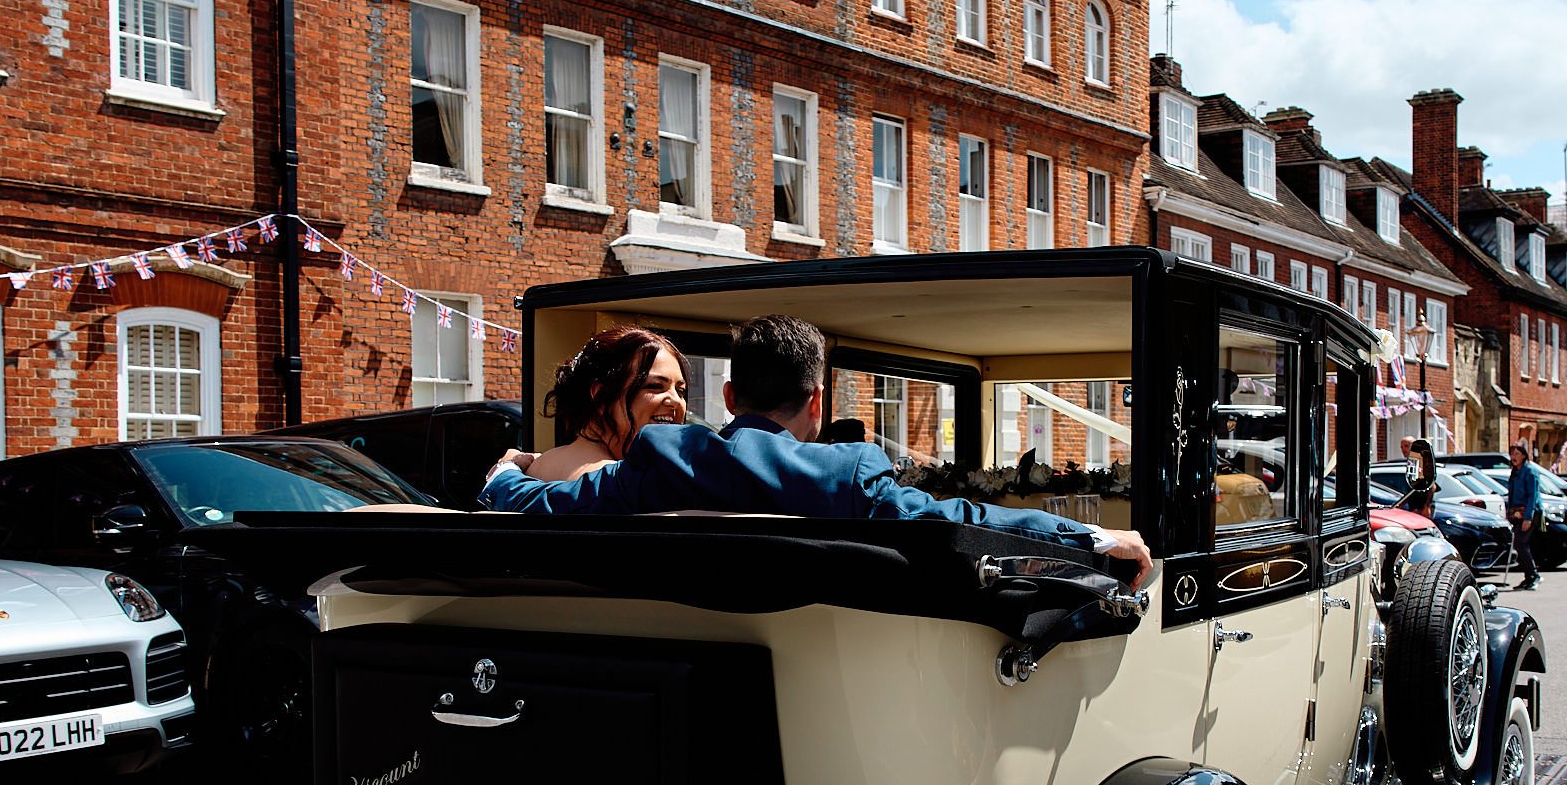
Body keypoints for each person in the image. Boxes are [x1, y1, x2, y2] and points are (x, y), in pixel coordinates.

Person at [483, 315, 1154, 587]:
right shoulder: (850, 475)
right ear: (818, 404)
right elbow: (960, 522)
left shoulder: (663, 461)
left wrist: (504, 474)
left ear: (731, 394)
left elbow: (551, 504)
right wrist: (1090, 537)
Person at [528, 326, 690, 483]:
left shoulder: (533, 467)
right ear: (601, 396)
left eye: (681, 391)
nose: (675, 400)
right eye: (654, 386)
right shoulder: (626, 485)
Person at [1505, 441, 1543, 590]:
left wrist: (1528, 517)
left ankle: (1533, 575)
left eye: (1517, 454)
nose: (1513, 457)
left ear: (1524, 455)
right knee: (1520, 544)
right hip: (1517, 512)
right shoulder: (1514, 472)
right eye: (1512, 454)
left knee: (1520, 543)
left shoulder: (1530, 471)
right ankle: (1528, 577)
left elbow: (1533, 495)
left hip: (1530, 512)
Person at [1399, 436, 1439, 515]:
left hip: (1422, 508)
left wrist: (1426, 506)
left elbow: (1433, 486)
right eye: (1401, 447)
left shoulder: (1423, 462)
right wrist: (1400, 504)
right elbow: (1411, 490)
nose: (1403, 450)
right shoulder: (1412, 463)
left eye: (1406, 446)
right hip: (1413, 508)